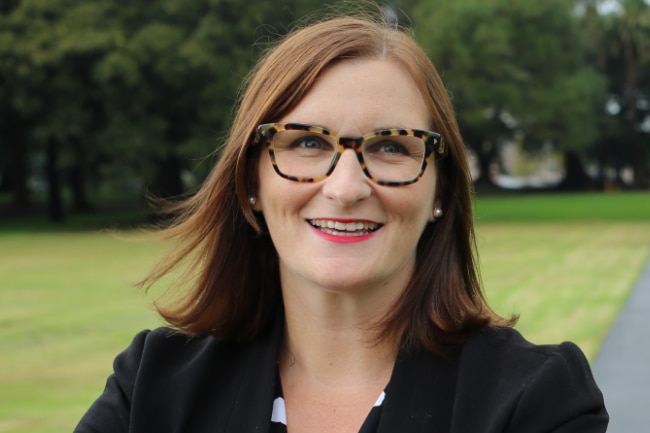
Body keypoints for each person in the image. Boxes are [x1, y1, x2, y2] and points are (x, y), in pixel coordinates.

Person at [74, 12, 608, 433]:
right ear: (252, 182)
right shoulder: (152, 385)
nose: (347, 188)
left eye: (392, 146)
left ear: (440, 189)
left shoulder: (534, 399)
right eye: (307, 142)